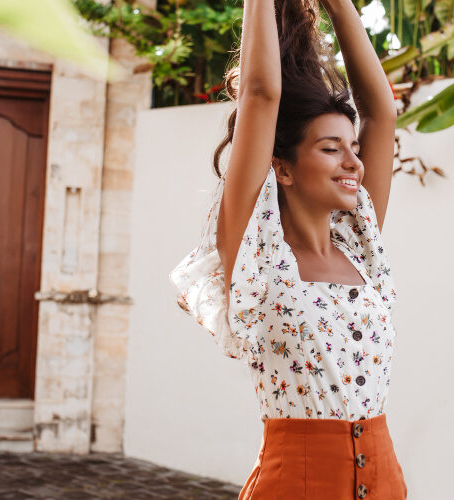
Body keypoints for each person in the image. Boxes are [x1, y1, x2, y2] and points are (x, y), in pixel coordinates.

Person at [169, 0, 405, 495]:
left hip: (385, 485)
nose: (352, 163)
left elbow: (381, 113)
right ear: (283, 167)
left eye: (353, 148)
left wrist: (338, 6)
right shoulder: (258, 258)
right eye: (330, 148)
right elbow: (260, 92)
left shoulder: (362, 248)